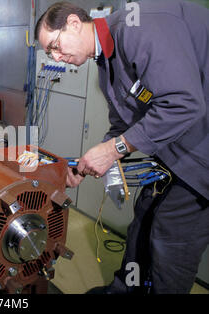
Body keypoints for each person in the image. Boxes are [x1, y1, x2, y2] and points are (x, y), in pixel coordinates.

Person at [35, 0, 208, 294]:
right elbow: (122, 127)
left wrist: (112, 151)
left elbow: (184, 104)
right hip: (173, 151)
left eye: (55, 45)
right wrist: (88, 163)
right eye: (49, 52)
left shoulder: (139, 26)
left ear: (75, 23)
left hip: (199, 155)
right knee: (143, 222)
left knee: (170, 238)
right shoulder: (106, 66)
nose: (56, 57)